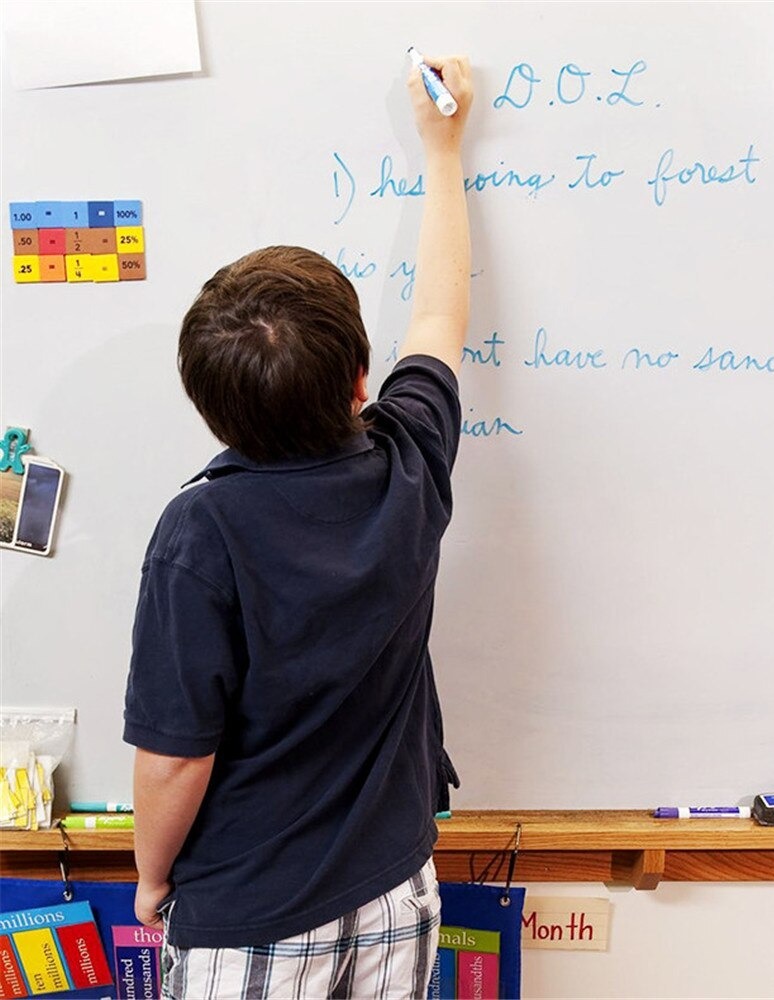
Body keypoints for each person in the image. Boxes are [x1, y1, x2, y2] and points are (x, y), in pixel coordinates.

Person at [122, 55, 473, 1000]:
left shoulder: (201, 533)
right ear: (363, 379)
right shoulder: (409, 461)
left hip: (253, 915)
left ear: (210, 410)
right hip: (397, 890)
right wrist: (446, 150)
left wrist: (152, 879)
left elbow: (175, 757)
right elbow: (440, 311)